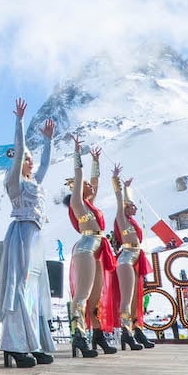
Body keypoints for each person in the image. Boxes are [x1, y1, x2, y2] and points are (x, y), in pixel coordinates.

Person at [0, 98, 57, 368]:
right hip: (21, 235)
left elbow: (44, 166)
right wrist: (19, 121)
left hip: (35, 238)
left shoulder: (35, 182)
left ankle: (34, 343)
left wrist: (49, 141)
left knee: (34, 290)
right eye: (26, 159)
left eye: (30, 159)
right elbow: (18, 152)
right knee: (18, 288)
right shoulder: (15, 183)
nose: (30, 162)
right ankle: (16, 345)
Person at [64, 136, 115, 358]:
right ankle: (78, 334)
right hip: (85, 247)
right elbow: (81, 177)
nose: (88, 186)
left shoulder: (90, 204)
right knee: (83, 294)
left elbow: (94, 182)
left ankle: (97, 334)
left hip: (98, 247)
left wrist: (96, 161)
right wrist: (77, 152)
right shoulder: (77, 202)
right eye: (83, 185)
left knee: (96, 296)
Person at [109, 165, 155, 350]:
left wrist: (127, 187)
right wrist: (116, 181)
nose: (135, 207)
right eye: (132, 206)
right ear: (126, 209)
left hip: (136, 256)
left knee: (137, 298)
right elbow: (120, 200)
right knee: (127, 299)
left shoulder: (132, 220)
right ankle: (126, 333)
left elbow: (127, 199)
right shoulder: (121, 217)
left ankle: (137, 330)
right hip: (126, 258)